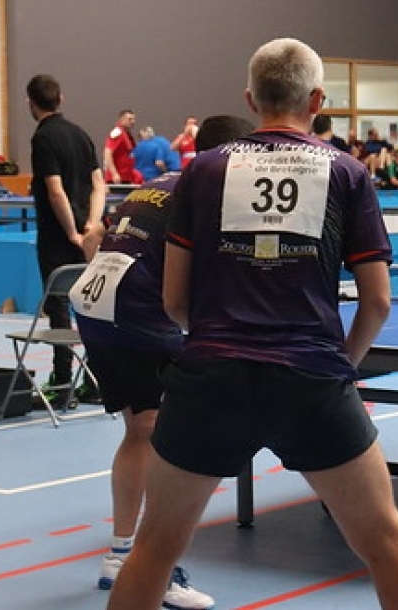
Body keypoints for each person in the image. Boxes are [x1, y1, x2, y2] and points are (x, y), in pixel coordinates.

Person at [105, 37, 398, 610]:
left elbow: (175, 300)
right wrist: (341, 367)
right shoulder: (348, 172)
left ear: (250, 99)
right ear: (318, 101)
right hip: (311, 379)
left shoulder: (203, 170)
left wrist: (218, 337)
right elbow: (378, 302)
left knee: (153, 549)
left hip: (210, 379)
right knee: (388, 545)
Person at [77, 116, 252, 609]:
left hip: (94, 306)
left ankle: (121, 555)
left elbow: (96, 240)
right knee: (170, 440)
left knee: (141, 430)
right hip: (138, 313)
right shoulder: (208, 194)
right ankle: (158, 569)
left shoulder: (158, 183)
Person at [26, 73, 107, 402]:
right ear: (61, 99)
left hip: (57, 238)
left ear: (31, 103)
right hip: (88, 237)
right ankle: (95, 381)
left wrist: (72, 232)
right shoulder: (81, 134)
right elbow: (100, 185)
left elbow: (55, 190)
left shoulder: (43, 138)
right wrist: (92, 226)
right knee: (91, 307)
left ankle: (61, 384)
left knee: (58, 307)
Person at [104, 109, 142, 185]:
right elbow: (107, 153)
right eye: (129, 119)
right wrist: (114, 173)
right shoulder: (117, 133)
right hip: (117, 179)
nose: (133, 122)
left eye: (133, 119)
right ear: (122, 120)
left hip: (126, 177)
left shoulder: (127, 134)